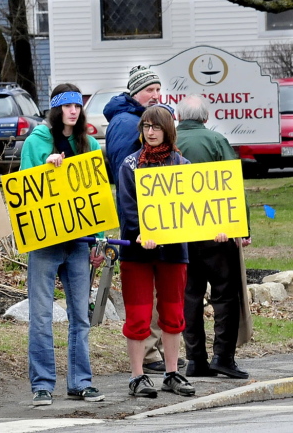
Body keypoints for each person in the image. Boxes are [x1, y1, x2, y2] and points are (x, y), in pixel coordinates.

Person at [18, 83, 105, 406]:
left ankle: (80, 382)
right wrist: (46, 169)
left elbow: (97, 193)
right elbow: (24, 190)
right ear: (56, 110)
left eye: (78, 106)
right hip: (45, 240)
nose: (73, 111)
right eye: (67, 106)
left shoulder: (90, 143)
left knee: (80, 316)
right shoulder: (36, 142)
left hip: (79, 240)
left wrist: (100, 238)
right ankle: (42, 384)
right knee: (41, 315)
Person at [103, 65, 178, 374]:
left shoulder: (145, 119)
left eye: (159, 89)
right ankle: (148, 354)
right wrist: (137, 222)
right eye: (150, 90)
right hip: (140, 219)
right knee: (144, 291)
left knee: (166, 291)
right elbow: (126, 174)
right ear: (135, 93)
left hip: (162, 216)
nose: (156, 95)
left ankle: (161, 352)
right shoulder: (125, 122)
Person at [116, 104, 195, 398]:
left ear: (168, 130)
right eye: (146, 127)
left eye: (156, 127)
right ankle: (137, 376)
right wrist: (143, 234)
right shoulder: (130, 165)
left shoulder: (182, 166)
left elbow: (194, 208)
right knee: (137, 316)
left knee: (173, 313)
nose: (150, 132)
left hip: (174, 251)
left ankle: (173, 373)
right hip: (137, 252)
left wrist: (215, 229)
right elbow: (128, 208)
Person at [175, 95, 251, 379]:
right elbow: (233, 185)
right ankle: (223, 356)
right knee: (224, 294)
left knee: (190, 296)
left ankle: (195, 360)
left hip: (179, 233)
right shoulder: (217, 141)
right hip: (216, 233)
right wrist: (242, 229)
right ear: (205, 118)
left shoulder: (170, 142)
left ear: (179, 117)